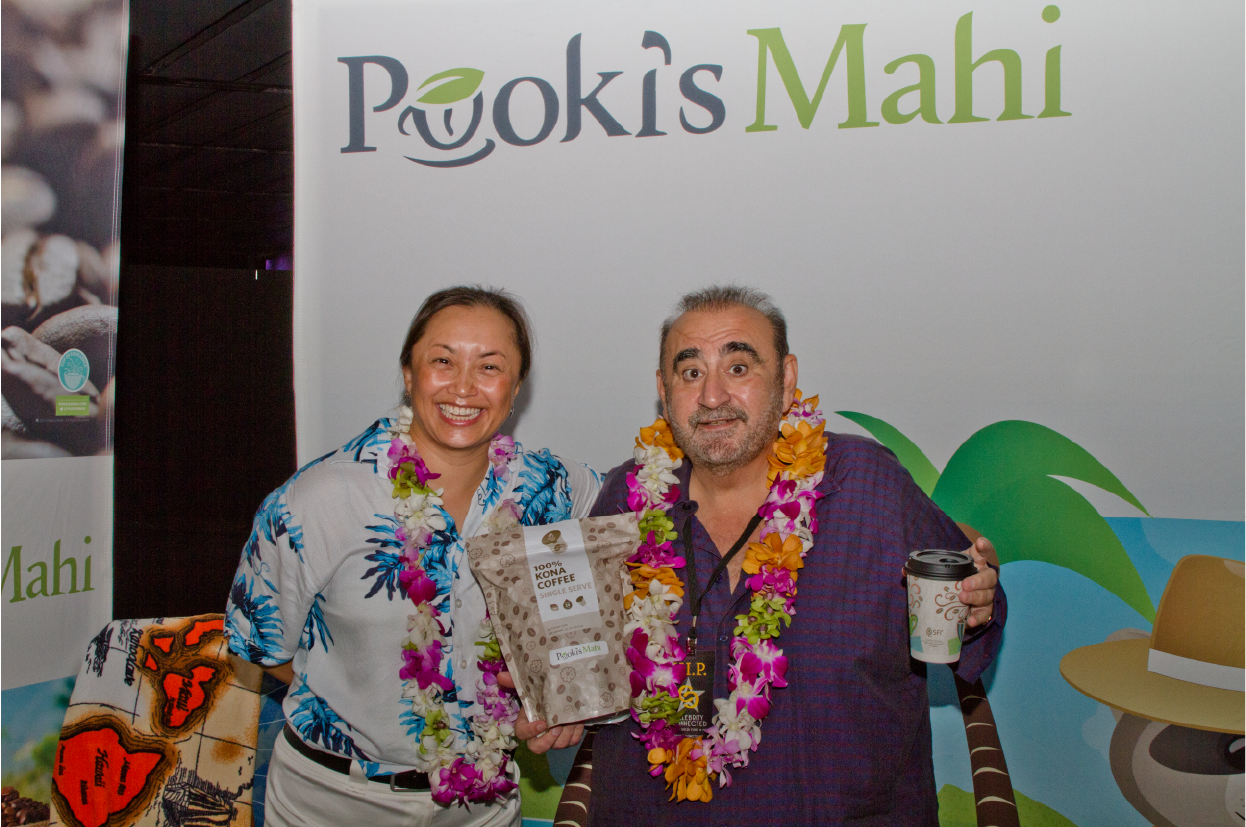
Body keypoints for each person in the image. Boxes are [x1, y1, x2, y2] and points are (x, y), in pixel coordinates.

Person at [581, 285, 1005, 826]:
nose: (711, 396)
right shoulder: (625, 501)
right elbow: (576, 660)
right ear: (664, 392)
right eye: (690, 372)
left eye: (738, 367)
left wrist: (976, 605)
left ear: (786, 379)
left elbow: (969, 607)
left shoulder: (868, 486)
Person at [224, 286, 597, 827]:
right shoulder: (318, 501)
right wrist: (361, 702)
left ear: (516, 386)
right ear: (408, 372)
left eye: (490, 367)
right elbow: (262, 645)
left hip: (484, 807)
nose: (464, 387)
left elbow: (650, 516)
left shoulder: (550, 486)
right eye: (443, 361)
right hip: (332, 802)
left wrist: (565, 688)